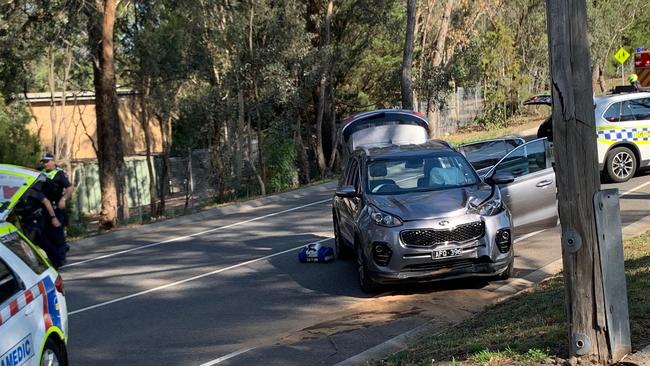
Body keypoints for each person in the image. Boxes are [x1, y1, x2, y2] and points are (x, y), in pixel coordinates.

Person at [13, 180, 65, 268]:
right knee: (42, 242)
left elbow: (46, 202)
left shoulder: (29, 191)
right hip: (26, 222)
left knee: (30, 242)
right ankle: (57, 258)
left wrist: (53, 217)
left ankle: (52, 260)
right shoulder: (13, 195)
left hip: (36, 220)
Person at [40, 153, 73, 256]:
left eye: (47, 162)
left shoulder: (59, 174)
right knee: (45, 233)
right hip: (43, 208)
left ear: (53, 161)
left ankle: (60, 255)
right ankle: (52, 254)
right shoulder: (39, 173)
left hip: (56, 207)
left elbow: (69, 188)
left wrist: (63, 199)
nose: (45, 164)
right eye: (44, 162)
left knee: (57, 232)